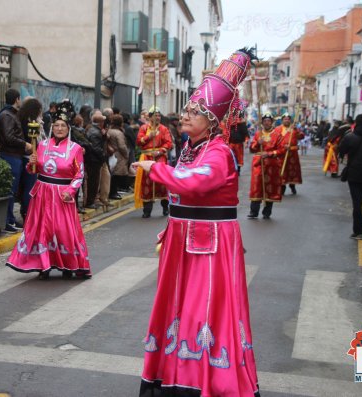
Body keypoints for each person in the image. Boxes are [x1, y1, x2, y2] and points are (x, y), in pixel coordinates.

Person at [134, 48, 260, 397]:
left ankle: (203, 382)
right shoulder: (191, 148)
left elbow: (197, 183)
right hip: (187, 239)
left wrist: (154, 168)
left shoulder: (217, 152)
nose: (186, 116)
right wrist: (170, 224)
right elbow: (184, 197)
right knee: (177, 307)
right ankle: (174, 375)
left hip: (209, 243)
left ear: (214, 121)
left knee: (201, 312)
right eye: (188, 109)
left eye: (196, 112)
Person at [6, 101, 91, 280]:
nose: (59, 129)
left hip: (62, 195)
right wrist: (32, 163)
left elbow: (79, 174)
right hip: (43, 194)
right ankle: (43, 265)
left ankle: (68, 264)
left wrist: (71, 190)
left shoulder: (75, 149)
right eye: (56, 125)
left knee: (62, 230)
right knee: (41, 229)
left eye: (63, 126)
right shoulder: (42, 145)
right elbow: (34, 171)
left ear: (68, 128)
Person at [0, 89, 32, 232]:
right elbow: (9, 137)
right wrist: (25, 144)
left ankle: (10, 219)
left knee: (13, 190)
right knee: (10, 190)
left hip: (15, 156)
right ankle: (7, 220)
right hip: (10, 156)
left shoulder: (11, 114)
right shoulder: (7, 115)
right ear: (17, 99)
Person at [135, 106, 172, 218]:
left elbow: (168, 143)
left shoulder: (164, 129)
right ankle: (147, 210)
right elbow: (138, 141)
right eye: (155, 115)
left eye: (159, 115)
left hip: (159, 157)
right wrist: (148, 136)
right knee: (147, 182)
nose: (158, 117)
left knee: (162, 183)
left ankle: (165, 208)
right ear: (150, 117)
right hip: (147, 157)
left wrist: (160, 151)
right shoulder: (144, 128)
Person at [248, 113, 284, 219]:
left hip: (272, 165)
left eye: (268, 121)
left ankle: (267, 212)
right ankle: (253, 212)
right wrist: (257, 143)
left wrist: (269, 154)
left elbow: (281, 150)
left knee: (270, 187)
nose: (266, 123)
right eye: (264, 121)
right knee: (256, 186)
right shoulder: (258, 134)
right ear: (262, 122)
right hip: (258, 164)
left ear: (272, 122)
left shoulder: (277, 134)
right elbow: (251, 149)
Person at [278, 113, 304, 195]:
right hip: (282, 154)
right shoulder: (278, 129)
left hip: (293, 154)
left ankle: (292, 186)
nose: (286, 120)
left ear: (290, 120)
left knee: (293, 171)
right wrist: (283, 146)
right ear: (282, 120)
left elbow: (301, 136)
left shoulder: (294, 129)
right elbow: (275, 141)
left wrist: (296, 130)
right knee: (282, 171)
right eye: (285, 119)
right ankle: (282, 187)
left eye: (288, 119)